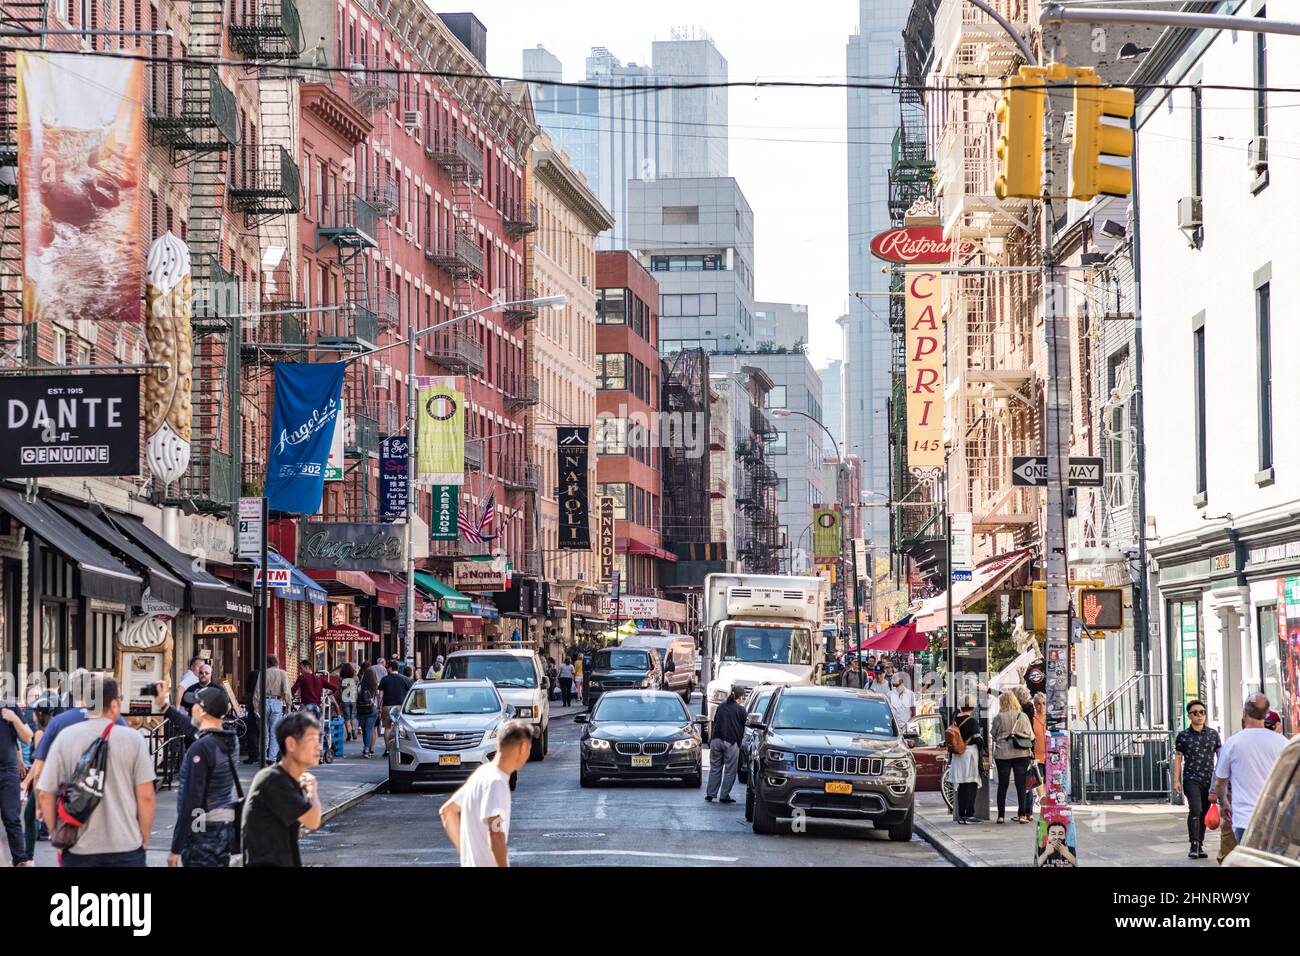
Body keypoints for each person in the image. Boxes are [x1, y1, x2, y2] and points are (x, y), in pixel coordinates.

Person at [36, 676, 156, 867]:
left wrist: (55, 835)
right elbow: (146, 795)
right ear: (114, 704)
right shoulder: (133, 739)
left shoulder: (66, 737)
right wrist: (144, 837)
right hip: (125, 845)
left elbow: (44, 792)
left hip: (79, 848)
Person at [163, 683, 240, 868]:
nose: (192, 709)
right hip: (224, 827)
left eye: (195, 705)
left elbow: (192, 799)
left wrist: (176, 847)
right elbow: (192, 730)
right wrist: (166, 709)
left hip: (203, 830)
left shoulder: (202, 747)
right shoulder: (229, 740)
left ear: (203, 711)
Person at [439, 720, 533, 867]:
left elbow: (447, 811)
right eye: (529, 748)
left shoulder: (481, 773)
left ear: (498, 744)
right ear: (522, 747)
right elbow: (495, 833)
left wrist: (466, 856)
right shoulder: (497, 783)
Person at [241, 710, 323, 867]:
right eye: (312, 739)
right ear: (291, 744)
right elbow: (312, 821)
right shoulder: (274, 780)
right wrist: (313, 793)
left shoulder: (287, 779)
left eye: (318, 739)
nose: (319, 746)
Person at [1215, 693, 1288, 843]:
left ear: (1245, 713)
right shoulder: (1282, 743)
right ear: (1267, 714)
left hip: (1245, 819)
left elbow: (1220, 782)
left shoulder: (1233, 743)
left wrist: (1223, 804)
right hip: (1275, 820)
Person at [1173, 698, 1221, 859]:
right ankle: (1193, 844)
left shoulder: (1213, 735)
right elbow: (1178, 758)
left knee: (1204, 812)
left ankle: (1200, 843)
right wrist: (1176, 780)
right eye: (1195, 713)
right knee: (1195, 809)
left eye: (1202, 712)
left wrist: (1220, 779)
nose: (1199, 715)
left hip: (1209, 779)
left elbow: (1220, 757)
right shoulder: (1183, 736)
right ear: (1189, 716)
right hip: (1191, 778)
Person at [991, 690, 1034, 824]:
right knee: (1021, 784)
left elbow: (993, 734)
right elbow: (1031, 736)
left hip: (1002, 754)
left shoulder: (999, 717)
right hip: (1021, 753)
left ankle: (1001, 816)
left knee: (1003, 785)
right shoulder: (1023, 716)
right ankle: (1022, 814)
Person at [1, 701, 35, 866]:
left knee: (11, 818)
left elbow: (28, 737)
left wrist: (14, 719)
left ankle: (20, 860)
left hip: (7, 771)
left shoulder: (10, 708)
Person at [706, 687, 746, 804]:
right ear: (740, 697)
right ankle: (724, 795)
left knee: (715, 768)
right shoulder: (740, 710)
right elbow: (746, 724)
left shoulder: (721, 706)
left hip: (716, 740)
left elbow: (715, 721)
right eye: (743, 697)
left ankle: (710, 794)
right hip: (731, 742)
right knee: (730, 770)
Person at [948, 695, 984, 824]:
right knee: (971, 784)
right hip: (969, 755)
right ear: (973, 707)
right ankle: (969, 814)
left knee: (962, 786)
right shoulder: (972, 721)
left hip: (958, 755)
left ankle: (961, 814)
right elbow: (978, 740)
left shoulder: (955, 719)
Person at [253, 656, 292, 763]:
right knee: (274, 731)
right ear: (276, 662)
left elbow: (257, 691)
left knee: (264, 731)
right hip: (276, 702)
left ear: (267, 663)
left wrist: (255, 707)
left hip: (264, 701)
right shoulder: (282, 673)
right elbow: (287, 691)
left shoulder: (262, 673)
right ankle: (272, 757)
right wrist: (288, 706)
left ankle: (263, 756)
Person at [378, 660, 412, 757]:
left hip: (387, 706)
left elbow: (380, 695)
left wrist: (379, 707)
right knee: (401, 727)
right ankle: (401, 748)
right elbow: (411, 692)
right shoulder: (405, 679)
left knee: (387, 728)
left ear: (390, 668)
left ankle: (388, 749)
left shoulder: (384, 679)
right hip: (400, 707)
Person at [356, 664, 380, 757]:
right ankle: (367, 750)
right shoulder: (375, 685)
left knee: (364, 729)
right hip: (372, 708)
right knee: (369, 729)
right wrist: (379, 708)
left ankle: (365, 748)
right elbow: (378, 697)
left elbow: (356, 696)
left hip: (361, 709)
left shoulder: (360, 685)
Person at [1031, 692, 1047, 805]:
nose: (1041, 706)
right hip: (1036, 755)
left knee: (1048, 779)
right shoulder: (1032, 719)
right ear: (1034, 705)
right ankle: (1042, 797)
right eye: (1038, 704)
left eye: (1044, 703)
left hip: (1050, 755)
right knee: (1039, 778)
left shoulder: (1051, 718)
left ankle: (1043, 798)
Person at [337, 663, 358, 742]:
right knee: (352, 716)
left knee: (347, 717)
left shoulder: (341, 678)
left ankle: (349, 733)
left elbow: (339, 688)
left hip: (345, 698)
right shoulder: (355, 677)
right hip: (353, 698)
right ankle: (353, 731)